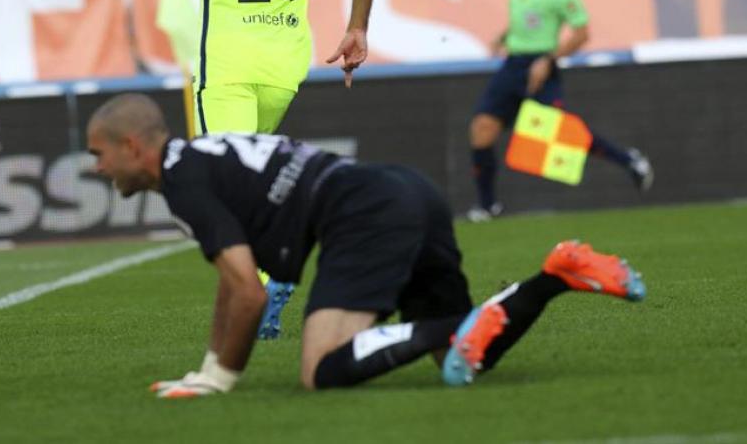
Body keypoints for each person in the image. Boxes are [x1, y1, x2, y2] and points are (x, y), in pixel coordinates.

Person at [86, 93, 647, 396]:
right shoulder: (202, 157)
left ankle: (459, 324)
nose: (98, 166)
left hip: (363, 212)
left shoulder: (183, 181)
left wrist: (220, 380)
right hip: (405, 190)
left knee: (321, 370)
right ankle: (556, 275)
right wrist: (208, 366)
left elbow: (249, 296)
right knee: (460, 360)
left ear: (133, 147)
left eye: (99, 154)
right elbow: (234, 286)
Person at [131, 0, 377, 339]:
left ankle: (263, 284)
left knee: (214, 191)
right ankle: (271, 273)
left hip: (228, 69)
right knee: (247, 184)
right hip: (284, 71)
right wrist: (356, 28)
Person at [467, 0, 653, 220]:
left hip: (541, 66)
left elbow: (581, 32)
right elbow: (524, 23)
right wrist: (502, 37)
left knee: (564, 136)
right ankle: (488, 205)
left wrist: (549, 59)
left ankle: (629, 160)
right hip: (513, 64)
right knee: (481, 129)